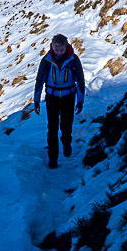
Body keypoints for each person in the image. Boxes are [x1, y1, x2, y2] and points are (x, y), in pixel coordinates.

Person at [33, 34, 85, 168]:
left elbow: (80, 81)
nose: (59, 53)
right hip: (52, 98)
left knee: (66, 126)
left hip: (69, 97)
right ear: (52, 47)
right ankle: (53, 158)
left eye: (62, 50)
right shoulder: (46, 61)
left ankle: (67, 143)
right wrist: (37, 101)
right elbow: (39, 81)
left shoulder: (73, 60)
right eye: (57, 50)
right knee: (52, 127)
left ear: (66, 47)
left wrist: (80, 102)